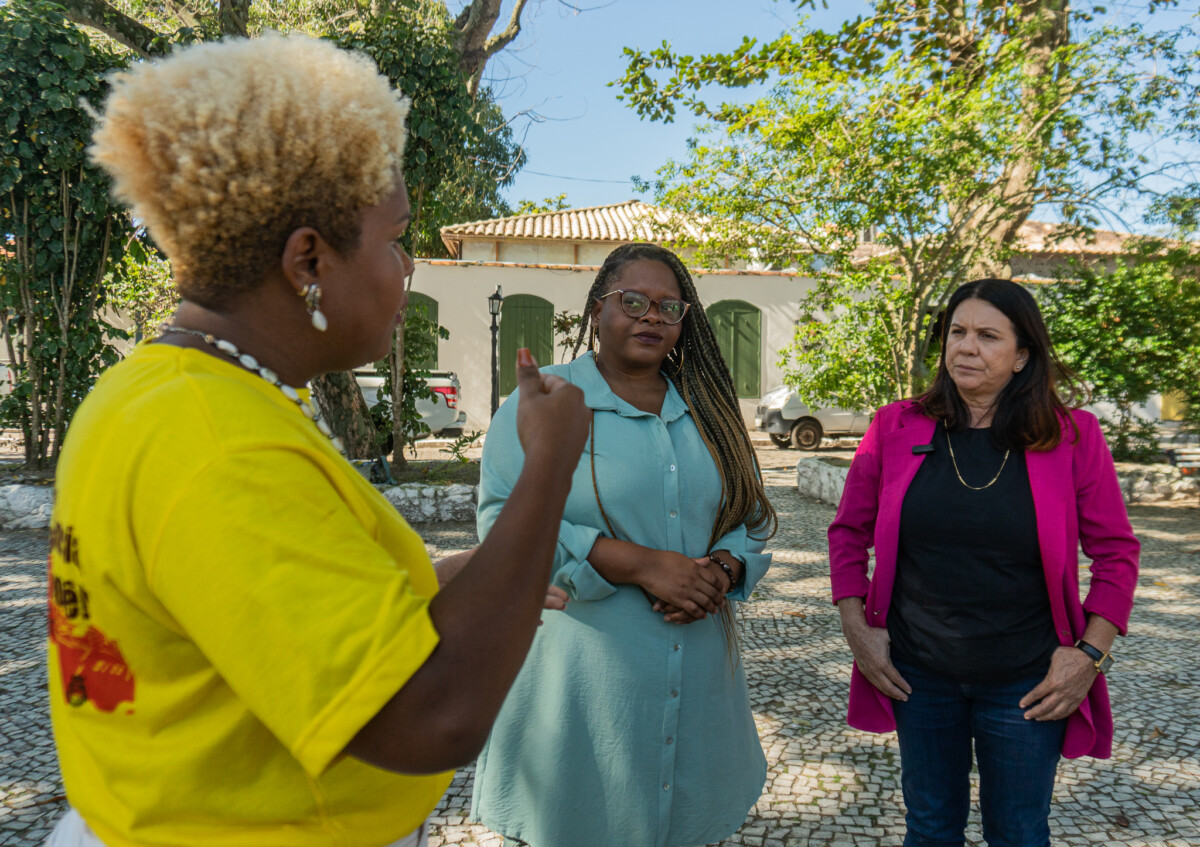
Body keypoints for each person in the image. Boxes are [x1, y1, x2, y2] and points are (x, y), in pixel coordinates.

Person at [45, 34, 590, 847]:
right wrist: (548, 460)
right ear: (309, 258)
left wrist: (478, 570)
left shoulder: (162, 393)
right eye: (396, 237)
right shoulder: (221, 442)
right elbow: (429, 715)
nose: (406, 267)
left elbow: (257, 598)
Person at [470, 243, 777, 847]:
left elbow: (753, 514)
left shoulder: (709, 410)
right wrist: (636, 564)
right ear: (597, 306)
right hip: (579, 690)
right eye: (631, 301)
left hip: (700, 690)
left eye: (669, 306)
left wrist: (722, 565)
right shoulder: (547, 401)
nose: (651, 316)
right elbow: (500, 522)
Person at [829, 278, 1140, 846]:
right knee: (929, 828)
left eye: (988, 336)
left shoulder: (1073, 436)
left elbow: (1117, 554)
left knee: (1019, 832)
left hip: (1027, 680)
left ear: (1023, 356)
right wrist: (857, 629)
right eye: (957, 332)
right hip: (917, 675)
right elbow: (848, 531)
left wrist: (1089, 656)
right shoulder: (895, 426)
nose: (966, 347)